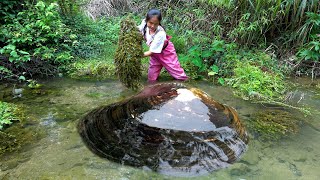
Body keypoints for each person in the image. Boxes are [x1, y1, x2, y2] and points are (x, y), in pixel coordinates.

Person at [138, 9, 188, 83]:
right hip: (155, 55)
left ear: (159, 23)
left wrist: (137, 55)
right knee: (151, 78)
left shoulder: (160, 33)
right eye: (150, 23)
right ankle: (154, 90)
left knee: (178, 74)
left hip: (166, 53)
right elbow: (137, 31)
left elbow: (151, 52)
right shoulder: (144, 24)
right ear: (146, 20)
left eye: (156, 24)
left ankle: (188, 86)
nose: (152, 26)